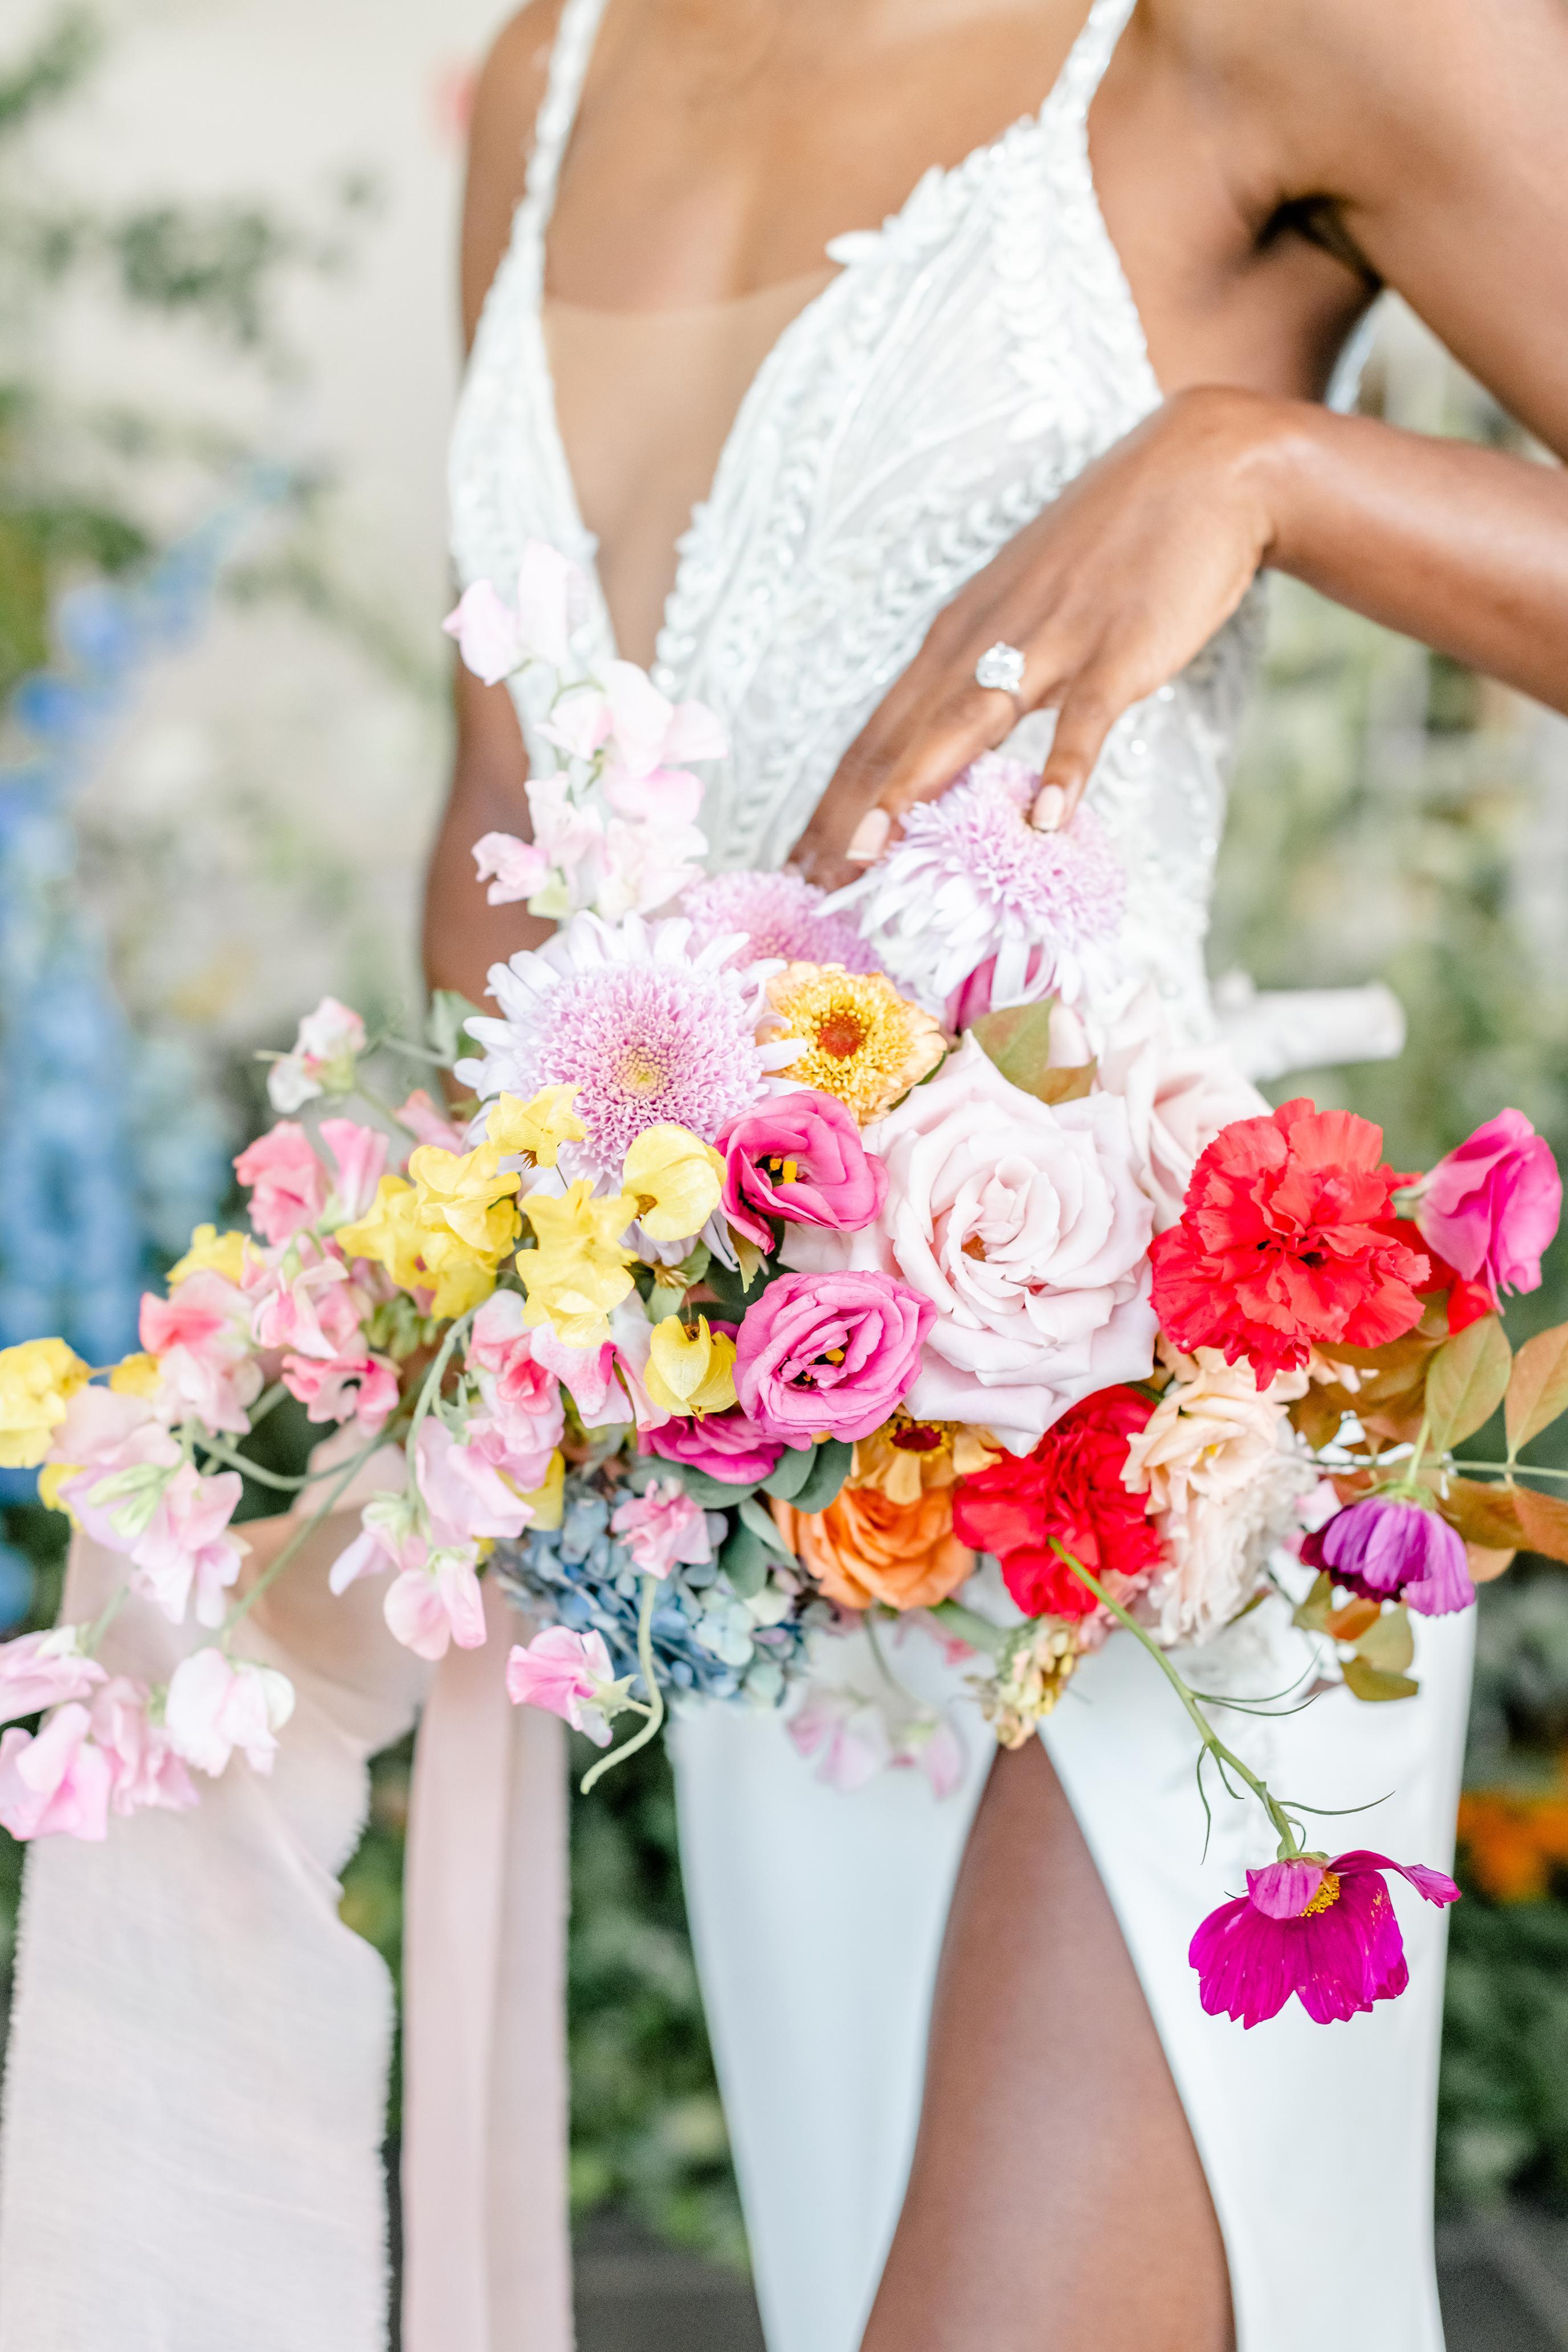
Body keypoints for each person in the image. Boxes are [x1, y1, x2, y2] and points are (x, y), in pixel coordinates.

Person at [428, 3, 1568, 2347]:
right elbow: (498, 814)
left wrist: (1270, 468)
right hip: (774, 1536)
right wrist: (408, 1337)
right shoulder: (554, 66)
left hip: (1186, 1462)